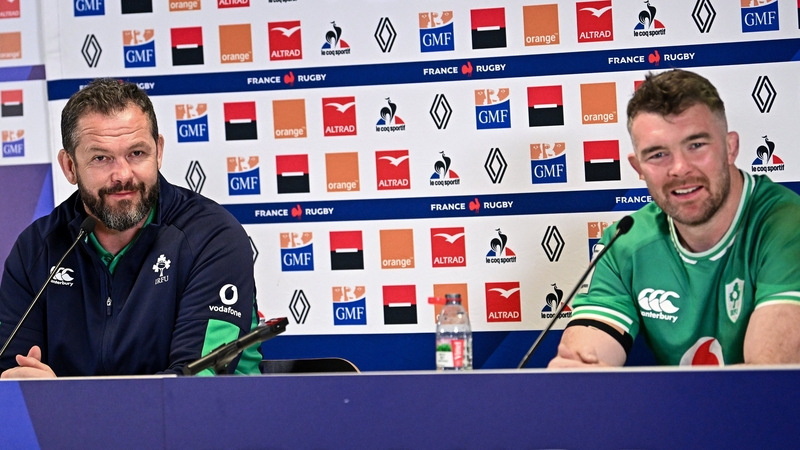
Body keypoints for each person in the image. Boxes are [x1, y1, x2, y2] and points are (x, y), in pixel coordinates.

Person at [0, 78, 261, 377]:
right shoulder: (37, 249)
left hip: (204, 423)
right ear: (70, 166)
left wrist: (63, 399)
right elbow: (10, 376)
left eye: (136, 153)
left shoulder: (212, 238)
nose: (122, 175)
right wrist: (19, 389)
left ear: (158, 151)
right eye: (101, 158)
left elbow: (195, 386)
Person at [549, 69, 800, 367]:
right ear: (638, 167)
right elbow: (584, 362)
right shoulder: (625, 241)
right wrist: (578, 372)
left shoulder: (786, 225)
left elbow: (771, 378)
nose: (680, 169)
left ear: (731, 147)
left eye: (696, 146)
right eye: (658, 154)